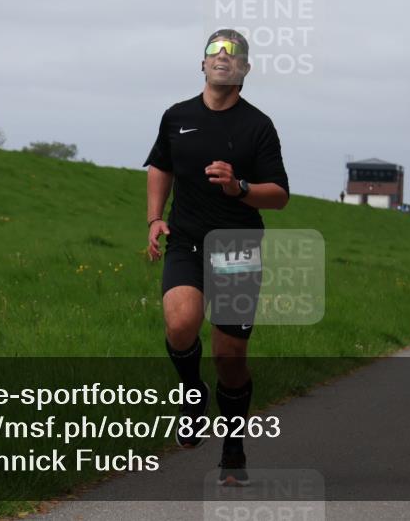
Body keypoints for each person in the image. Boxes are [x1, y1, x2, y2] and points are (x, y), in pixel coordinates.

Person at [144, 29, 289, 486]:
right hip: (185, 240)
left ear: (245, 69)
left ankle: (232, 446)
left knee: (230, 357)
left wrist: (238, 186)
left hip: (237, 247)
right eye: (215, 51)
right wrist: (154, 219)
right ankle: (191, 389)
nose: (223, 57)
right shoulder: (176, 116)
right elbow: (161, 166)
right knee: (180, 323)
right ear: (202, 64)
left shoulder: (258, 126)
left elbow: (280, 195)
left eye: (234, 53)